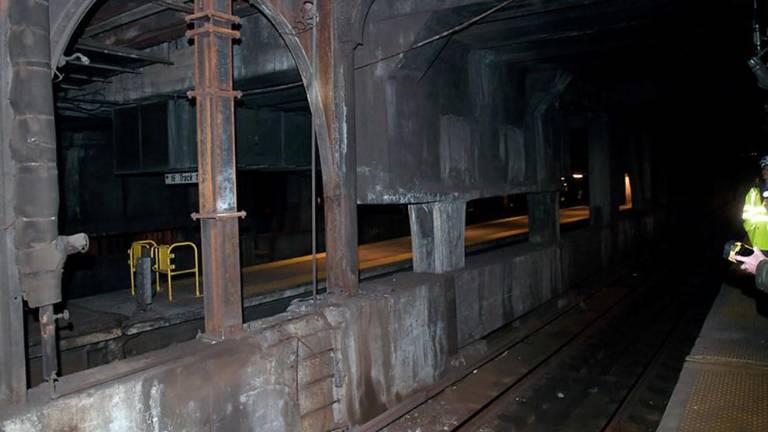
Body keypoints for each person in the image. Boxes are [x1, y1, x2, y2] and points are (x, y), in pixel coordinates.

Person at [742, 155, 768, 251]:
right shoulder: (753, 192)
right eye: (764, 168)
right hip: (754, 243)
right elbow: (746, 216)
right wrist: (750, 228)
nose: (765, 171)